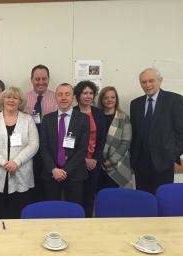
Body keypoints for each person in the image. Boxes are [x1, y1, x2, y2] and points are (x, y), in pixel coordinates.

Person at [0, 86, 39, 219]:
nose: (11, 100)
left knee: (19, 216)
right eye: (8, 97)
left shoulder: (28, 120)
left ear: (20, 102)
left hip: (21, 175)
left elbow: (34, 144)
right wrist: (5, 163)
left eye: (15, 98)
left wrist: (16, 162)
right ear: (3, 100)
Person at [130, 68, 183, 195]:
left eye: (151, 81)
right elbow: (135, 133)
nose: (147, 85)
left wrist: (173, 153)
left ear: (160, 81)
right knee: (143, 199)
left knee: (163, 198)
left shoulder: (174, 100)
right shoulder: (135, 104)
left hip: (164, 161)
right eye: (144, 82)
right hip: (140, 162)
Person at [41, 83, 90, 205]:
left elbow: (82, 148)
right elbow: (43, 147)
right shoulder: (47, 119)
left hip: (75, 174)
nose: (63, 98)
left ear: (74, 98)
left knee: (74, 212)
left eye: (67, 94)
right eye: (60, 94)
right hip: (51, 174)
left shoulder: (83, 119)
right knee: (51, 212)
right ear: (55, 98)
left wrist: (66, 170)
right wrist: (54, 169)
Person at [23, 65, 58, 202]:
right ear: (32, 80)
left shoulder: (57, 98)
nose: (41, 82)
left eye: (44, 78)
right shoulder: (23, 99)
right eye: (37, 79)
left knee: (49, 187)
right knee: (32, 186)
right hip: (29, 150)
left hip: (50, 150)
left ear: (48, 79)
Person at [74, 80, 106, 218]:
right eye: (85, 93)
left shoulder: (98, 113)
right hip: (76, 162)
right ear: (78, 95)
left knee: (90, 196)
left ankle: (88, 222)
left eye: (91, 93)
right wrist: (84, 159)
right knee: (76, 197)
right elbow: (69, 140)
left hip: (94, 162)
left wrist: (94, 159)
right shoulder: (72, 113)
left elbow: (102, 138)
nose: (88, 96)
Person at [96, 86, 133, 191]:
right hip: (97, 164)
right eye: (106, 97)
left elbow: (126, 142)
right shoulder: (96, 116)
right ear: (101, 100)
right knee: (98, 197)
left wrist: (110, 161)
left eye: (112, 97)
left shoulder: (123, 117)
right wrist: (98, 160)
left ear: (116, 99)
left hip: (116, 165)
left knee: (114, 197)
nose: (109, 100)